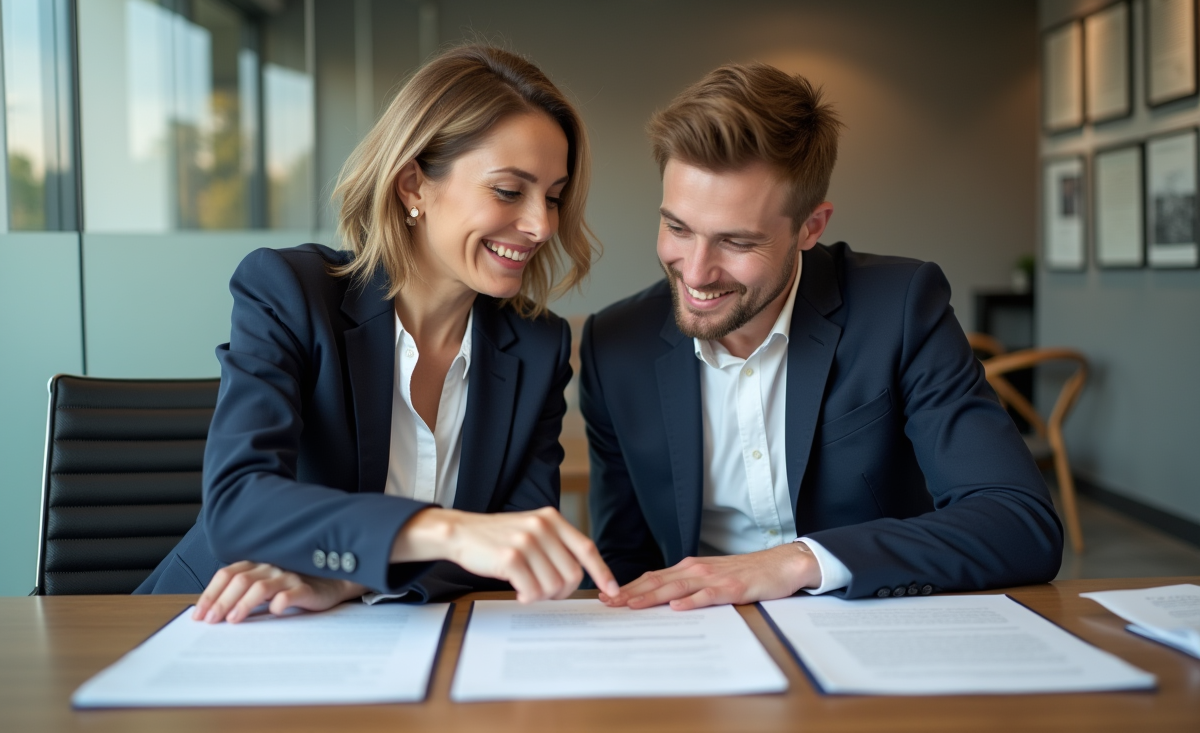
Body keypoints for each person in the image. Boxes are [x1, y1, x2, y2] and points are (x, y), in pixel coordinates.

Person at [137, 44, 620, 620]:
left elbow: (513, 548)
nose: (542, 225)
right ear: (413, 184)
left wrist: (346, 578)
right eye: (509, 191)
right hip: (221, 619)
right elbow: (239, 504)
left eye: (554, 196)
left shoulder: (537, 347)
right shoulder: (290, 292)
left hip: (394, 634)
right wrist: (445, 530)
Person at [582, 63, 1062, 611]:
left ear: (811, 226)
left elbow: (1019, 522)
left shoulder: (899, 308)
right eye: (677, 228)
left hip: (874, 632)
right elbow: (623, 563)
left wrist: (797, 562)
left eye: (736, 242)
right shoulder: (614, 346)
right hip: (701, 645)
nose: (694, 273)